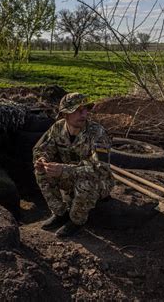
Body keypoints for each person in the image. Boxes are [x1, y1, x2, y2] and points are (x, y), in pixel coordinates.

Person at [33, 92, 114, 237]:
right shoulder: (57, 128)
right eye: (77, 110)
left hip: (98, 182)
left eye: (85, 109)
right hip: (70, 177)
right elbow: (41, 149)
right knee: (40, 171)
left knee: (85, 182)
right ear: (65, 114)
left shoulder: (97, 133)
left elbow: (99, 169)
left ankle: (76, 221)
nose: (83, 114)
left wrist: (64, 170)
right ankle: (61, 213)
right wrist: (42, 160)